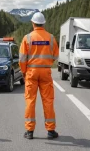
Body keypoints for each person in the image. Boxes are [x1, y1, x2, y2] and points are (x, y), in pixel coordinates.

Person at [19, 12, 59, 140]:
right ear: (44, 23)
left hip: (31, 71)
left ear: (32, 23)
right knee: (48, 101)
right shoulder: (51, 38)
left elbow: (22, 59)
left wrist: (24, 72)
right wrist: (46, 64)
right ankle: (51, 130)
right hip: (45, 71)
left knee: (30, 100)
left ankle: (29, 131)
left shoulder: (27, 38)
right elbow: (55, 56)